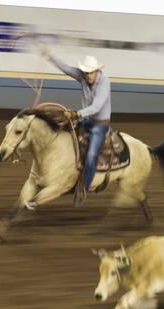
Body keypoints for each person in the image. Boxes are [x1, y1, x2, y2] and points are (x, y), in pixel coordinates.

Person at [42, 48, 111, 207]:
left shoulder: (104, 82)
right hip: (85, 119)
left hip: (99, 124)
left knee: (92, 154)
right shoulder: (83, 75)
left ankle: (82, 189)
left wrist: (76, 114)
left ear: (97, 71)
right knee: (62, 135)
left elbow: (96, 107)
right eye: (85, 73)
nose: (87, 76)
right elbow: (66, 68)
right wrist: (49, 56)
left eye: (90, 73)